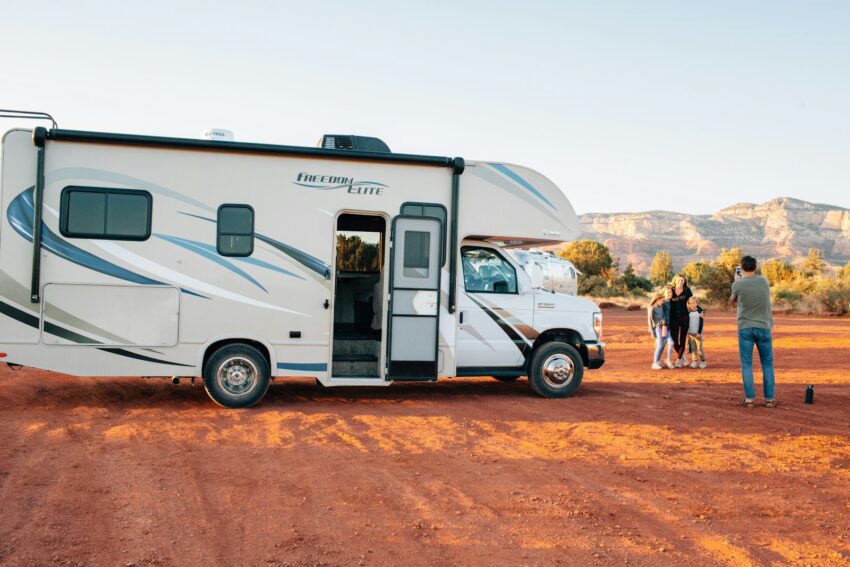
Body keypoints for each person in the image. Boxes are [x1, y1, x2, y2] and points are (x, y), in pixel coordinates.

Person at [730, 255, 776, 408]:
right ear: (755, 267)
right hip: (764, 326)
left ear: (742, 268)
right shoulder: (764, 281)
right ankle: (769, 399)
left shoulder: (738, 285)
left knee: (747, 364)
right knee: (767, 364)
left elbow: (733, 301)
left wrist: (737, 281)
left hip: (745, 327)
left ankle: (749, 399)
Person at [668, 275, 693, 368]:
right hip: (673, 318)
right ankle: (682, 356)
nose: (680, 282)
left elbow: (692, 302)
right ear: (675, 281)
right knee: (674, 340)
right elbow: (664, 299)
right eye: (679, 280)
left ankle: (678, 360)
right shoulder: (670, 289)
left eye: (682, 280)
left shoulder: (687, 290)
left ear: (684, 281)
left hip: (684, 317)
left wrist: (700, 311)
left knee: (682, 339)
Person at [646, 291, 670, 370]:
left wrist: (663, 320)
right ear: (657, 300)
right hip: (656, 328)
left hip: (663, 327)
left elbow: (663, 316)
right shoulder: (651, 308)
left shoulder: (661, 306)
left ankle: (658, 361)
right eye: (662, 300)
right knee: (659, 345)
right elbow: (650, 321)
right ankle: (654, 363)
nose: (663, 302)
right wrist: (652, 332)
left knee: (663, 344)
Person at [686, 296, 706, 368]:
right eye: (690, 303)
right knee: (693, 348)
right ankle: (694, 361)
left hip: (697, 333)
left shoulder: (700, 312)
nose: (692, 304)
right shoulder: (688, 312)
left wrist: (699, 333)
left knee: (699, 348)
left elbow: (701, 323)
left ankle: (703, 361)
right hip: (690, 333)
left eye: (694, 303)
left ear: (697, 303)